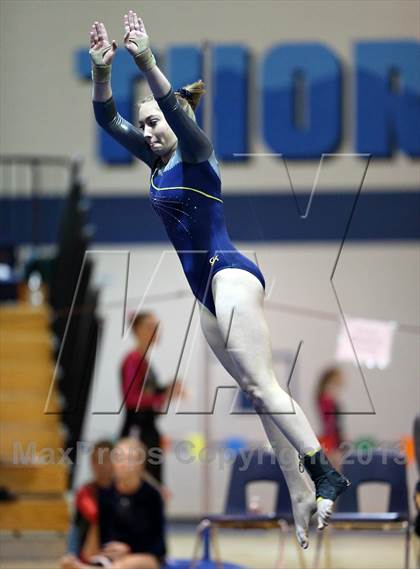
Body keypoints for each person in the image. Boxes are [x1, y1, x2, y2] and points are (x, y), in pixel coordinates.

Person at [88, 10, 350, 549]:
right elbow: (108, 121)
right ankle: (299, 491)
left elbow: (171, 113)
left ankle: (324, 470)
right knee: (256, 397)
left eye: (155, 122)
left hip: (230, 275)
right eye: (145, 125)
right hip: (206, 295)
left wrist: (144, 59)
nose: (147, 130)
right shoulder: (157, 164)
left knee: (261, 383)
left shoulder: (198, 155)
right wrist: (100, 73)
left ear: (176, 117)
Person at [61, 437, 166, 569]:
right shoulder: (106, 495)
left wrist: (128, 549)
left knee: (122, 565)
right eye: (117, 458)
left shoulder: (152, 496)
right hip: (112, 559)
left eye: (128, 459)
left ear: (141, 463)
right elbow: (105, 537)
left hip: (145, 557)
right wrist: (110, 550)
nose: (122, 464)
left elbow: (158, 545)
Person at [120, 310, 184, 483]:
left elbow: (148, 392)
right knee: (141, 484)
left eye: (157, 326)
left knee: (153, 484)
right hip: (137, 433)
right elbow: (132, 399)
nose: (156, 330)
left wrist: (167, 390)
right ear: (137, 330)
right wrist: (165, 396)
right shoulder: (132, 360)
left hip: (148, 431)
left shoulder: (144, 360)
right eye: (150, 326)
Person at [63, 440, 114, 564]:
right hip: (88, 552)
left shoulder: (122, 490)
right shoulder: (85, 491)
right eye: (96, 460)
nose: (101, 465)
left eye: (106, 459)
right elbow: (95, 514)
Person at [315, 366, 346, 471]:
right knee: (335, 472)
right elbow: (330, 424)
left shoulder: (326, 397)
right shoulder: (326, 399)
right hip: (331, 440)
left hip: (334, 439)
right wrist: (332, 446)